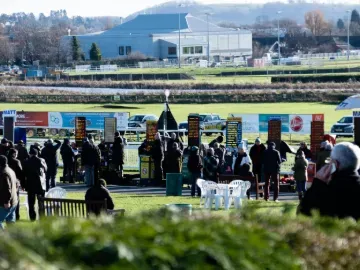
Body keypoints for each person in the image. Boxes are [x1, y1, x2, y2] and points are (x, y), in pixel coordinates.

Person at [299, 142, 360, 220]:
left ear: (335, 164)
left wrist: (317, 184)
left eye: (329, 160)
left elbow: (303, 215)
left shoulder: (327, 190)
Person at [24, 148, 47, 221]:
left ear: (30, 154)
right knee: (41, 202)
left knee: (31, 203)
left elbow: (24, 173)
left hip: (30, 184)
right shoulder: (41, 160)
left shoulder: (27, 162)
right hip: (40, 184)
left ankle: (32, 217)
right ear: (37, 154)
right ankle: (42, 216)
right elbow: (46, 169)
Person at [0, 155, 18, 229]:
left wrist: (7, 201)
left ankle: (4, 237)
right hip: (14, 201)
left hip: (6, 203)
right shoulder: (10, 170)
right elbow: (16, 184)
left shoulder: (3, 173)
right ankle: (12, 238)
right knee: (11, 224)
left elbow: (7, 188)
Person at [7, 148, 24, 221]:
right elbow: (21, 173)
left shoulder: (5, 160)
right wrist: (23, 184)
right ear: (14, 154)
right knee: (15, 199)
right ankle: (16, 216)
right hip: (15, 182)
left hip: (5, 182)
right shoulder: (16, 161)